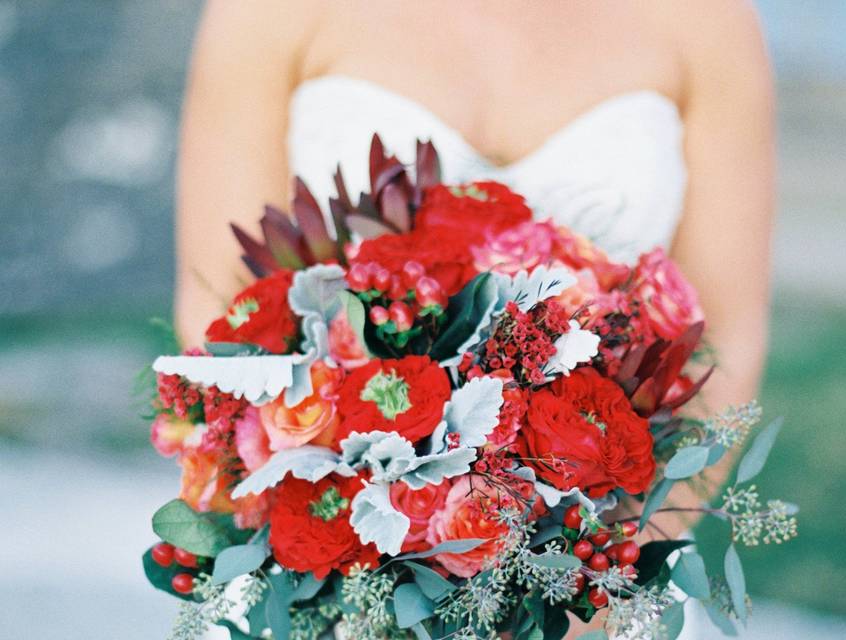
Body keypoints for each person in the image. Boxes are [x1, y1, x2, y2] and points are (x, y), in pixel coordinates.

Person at [175, 1, 774, 635]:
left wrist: (592, 589)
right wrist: (343, 594)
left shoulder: (709, 19)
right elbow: (218, 309)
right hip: (333, 597)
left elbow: (726, 338)